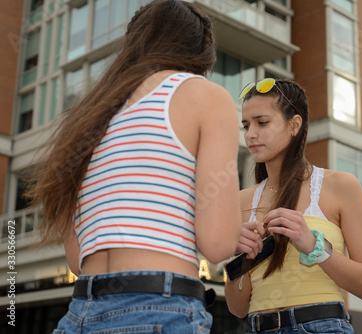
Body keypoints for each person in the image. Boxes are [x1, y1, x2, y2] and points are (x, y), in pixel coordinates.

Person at [27, 1, 241, 333]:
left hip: (80, 313)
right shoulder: (206, 97)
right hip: (159, 307)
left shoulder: (87, 115)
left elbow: (77, 259)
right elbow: (216, 244)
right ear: (201, 55)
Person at [224, 78, 362, 333]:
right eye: (246, 125)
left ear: (294, 125)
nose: (250, 134)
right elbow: (238, 308)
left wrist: (315, 246)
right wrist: (240, 260)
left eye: (262, 122)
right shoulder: (241, 200)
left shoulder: (341, 186)